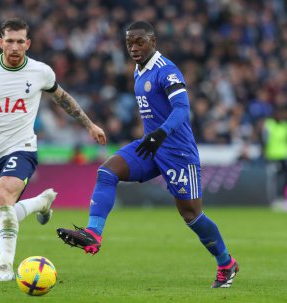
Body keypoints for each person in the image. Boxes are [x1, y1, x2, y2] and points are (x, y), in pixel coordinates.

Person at [57, 21, 238, 288]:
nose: (133, 47)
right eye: (129, 42)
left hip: (177, 151)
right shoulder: (138, 71)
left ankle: (226, 263)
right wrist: (153, 137)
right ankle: (94, 234)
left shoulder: (167, 71)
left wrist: (160, 134)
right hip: (151, 147)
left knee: (191, 215)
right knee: (107, 171)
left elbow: (181, 110)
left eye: (139, 41)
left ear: (153, 41)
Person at [0, 18, 106, 282]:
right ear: (0, 42)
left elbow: (63, 99)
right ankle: (41, 202)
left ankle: (4, 268)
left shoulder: (41, 72)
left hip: (23, 149)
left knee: (3, 195)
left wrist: (90, 124)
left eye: (20, 42)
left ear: (27, 44)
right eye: (9, 41)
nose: (14, 47)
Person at [261, 105, 287, 202]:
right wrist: (264, 152)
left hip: (284, 155)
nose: (280, 116)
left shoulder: (285, 125)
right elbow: (264, 139)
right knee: (273, 178)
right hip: (272, 155)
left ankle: (282, 195)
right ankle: (273, 199)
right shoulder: (269, 124)